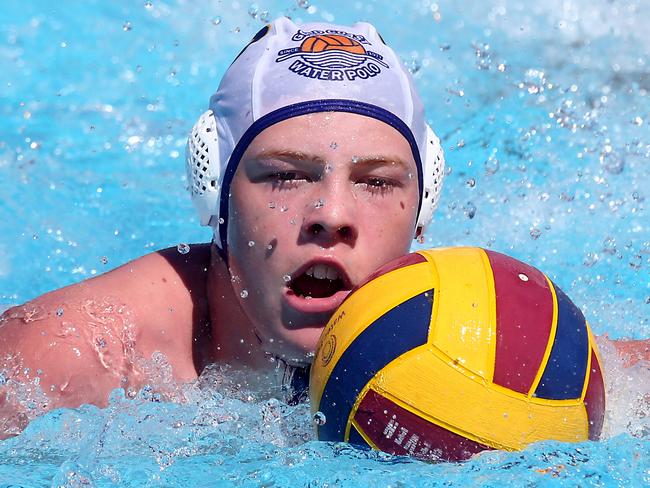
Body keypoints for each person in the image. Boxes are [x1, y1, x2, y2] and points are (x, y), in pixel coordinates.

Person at [0, 18, 647, 437]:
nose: (332, 215)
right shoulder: (77, 359)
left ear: (422, 209)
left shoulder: (470, 329)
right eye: (285, 175)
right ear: (216, 193)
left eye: (376, 181)